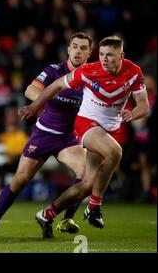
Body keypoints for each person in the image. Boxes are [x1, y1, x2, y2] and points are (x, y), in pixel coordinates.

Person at [19, 35, 149, 230]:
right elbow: (56, 85)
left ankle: (47, 214)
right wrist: (34, 106)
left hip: (108, 130)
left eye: (110, 55)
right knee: (115, 153)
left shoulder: (134, 72)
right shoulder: (89, 71)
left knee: (87, 184)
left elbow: (144, 106)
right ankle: (94, 207)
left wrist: (133, 113)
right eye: (102, 54)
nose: (104, 59)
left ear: (121, 55)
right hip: (86, 124)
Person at [0, 32, 93, 239]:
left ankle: (64, 218)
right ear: (68, 49)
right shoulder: (54, 70)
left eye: (83, 48)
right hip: (43, 134)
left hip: (68, 138)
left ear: (89, 52)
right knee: (21, 180)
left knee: (87, 176)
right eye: (75, 46)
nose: (78, 51)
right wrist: (48, 96)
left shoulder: (91, 77)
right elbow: (30, 90)